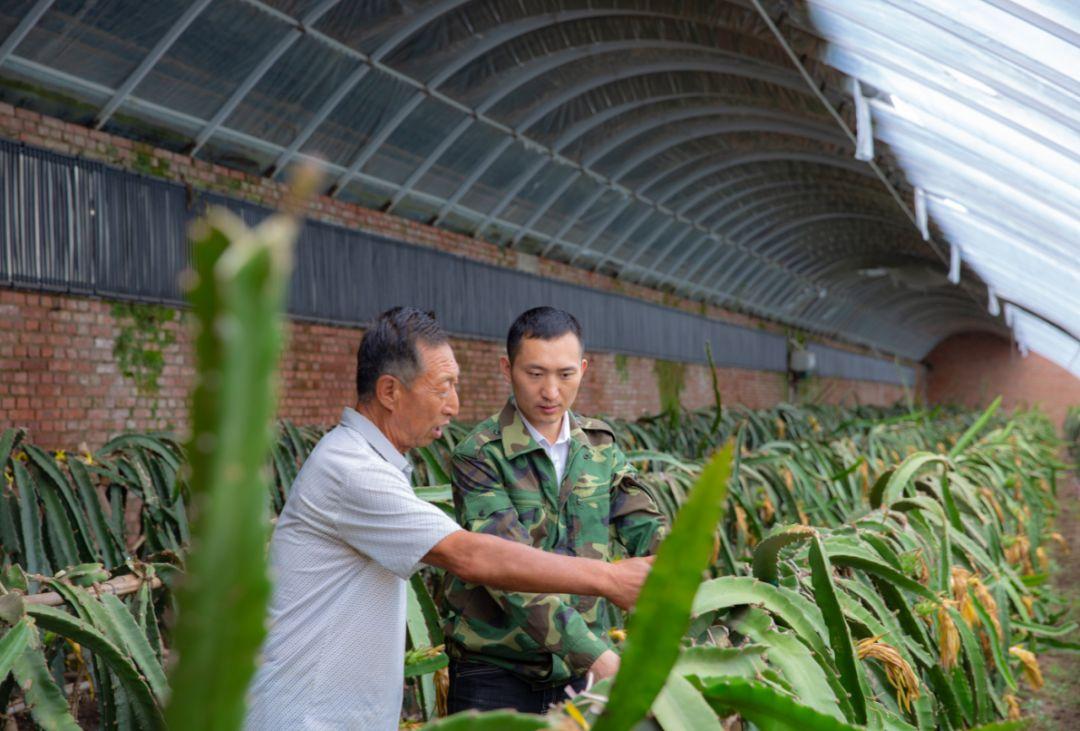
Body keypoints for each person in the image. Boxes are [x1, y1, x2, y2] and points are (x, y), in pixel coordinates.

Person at [244, 307, 653, 730]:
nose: (454, 407)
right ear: (390, 391)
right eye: (443, 388)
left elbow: (639, 515)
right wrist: (610, 579)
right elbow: (471, 556)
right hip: (307, 716)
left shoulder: (373, 463)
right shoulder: (352, 470)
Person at [442, 306, 668, 714]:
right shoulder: (479, 455)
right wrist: (597, 658)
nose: (550, 391)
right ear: (506, 368)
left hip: (584, 675)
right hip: (498, 673)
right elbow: (505, 571)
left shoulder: (600, 446)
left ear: (584, 369)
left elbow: (645, 525)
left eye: (565, 375)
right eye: (535, 374)